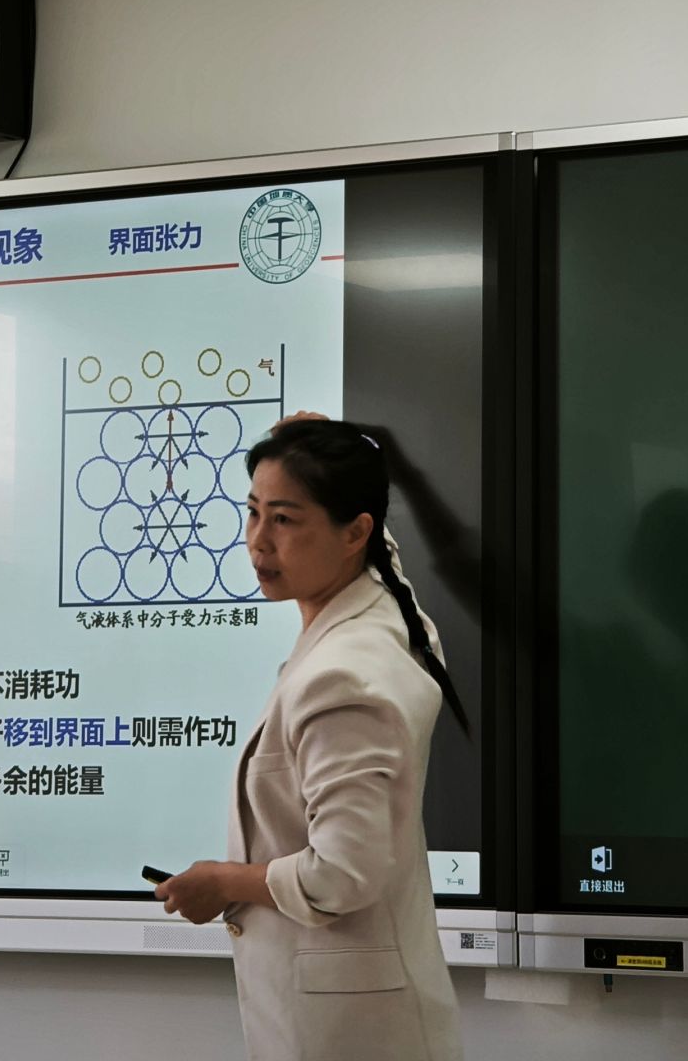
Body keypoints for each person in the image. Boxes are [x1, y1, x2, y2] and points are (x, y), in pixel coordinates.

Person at [155, 415, 467, 1061]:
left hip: (351, 1035)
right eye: (253, 512)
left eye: (284, 519)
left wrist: (224, 882)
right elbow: (383, 554)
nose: (257, 542)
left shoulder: (341, 676)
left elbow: (341, 874)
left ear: (354, 533)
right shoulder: (389, 614)